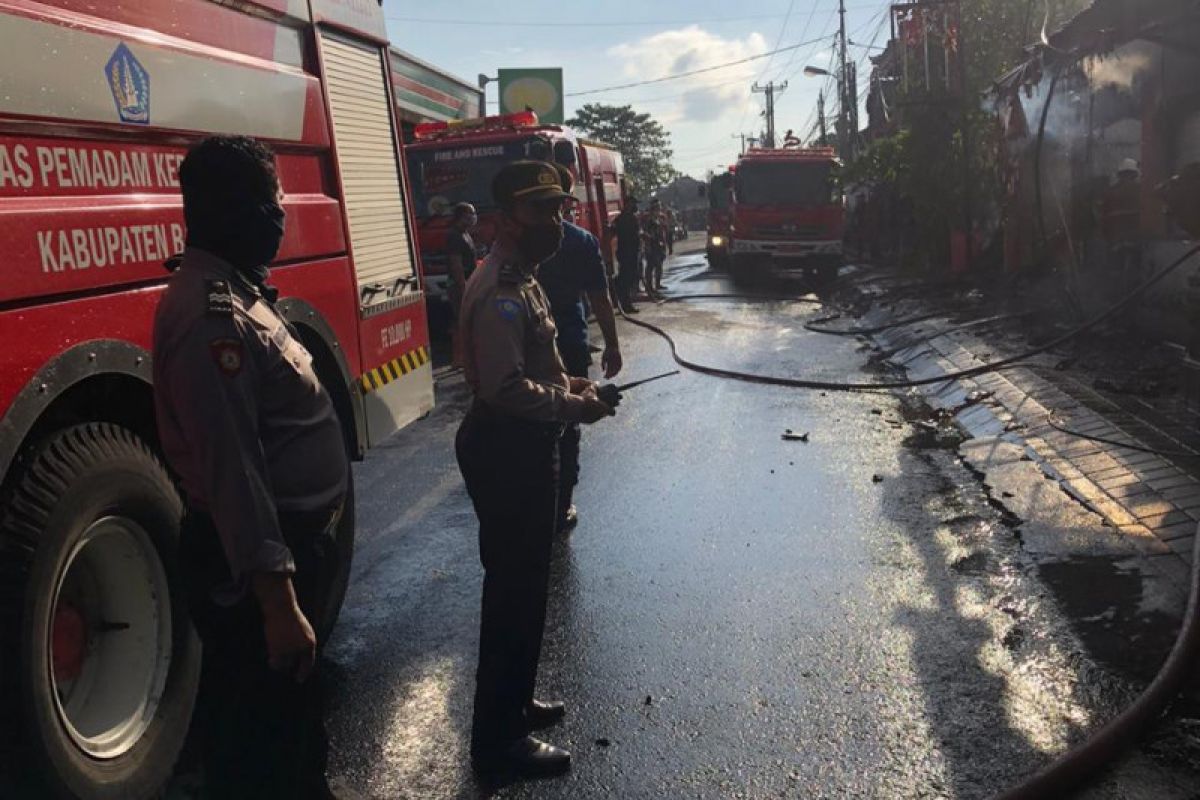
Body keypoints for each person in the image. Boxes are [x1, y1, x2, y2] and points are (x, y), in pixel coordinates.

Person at [152, 136, 350, 799]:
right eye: (271, 202)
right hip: (262, 566)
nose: (281, 215)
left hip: (292, 549)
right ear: (233, 210)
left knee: (290, 723)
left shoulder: (240, 292)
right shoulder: (215, 316)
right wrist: (277, 603)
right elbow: (234, 470)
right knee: (262, 744)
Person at [456, 161, 615, 778]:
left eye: (558, 209)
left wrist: (576, 382)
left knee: (526, 589)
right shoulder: (500, 285)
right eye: (540, 211)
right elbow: (503, 388)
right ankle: (498, 742)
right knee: (513, 596)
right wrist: (576, 405)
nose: (555, 222)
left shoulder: (523, 276)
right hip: (509, 446)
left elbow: (532, 365)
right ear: (505, 219)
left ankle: (515, 704)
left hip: (524, 441)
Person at [538, 164, 624, 534]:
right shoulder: (580, 241)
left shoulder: (515, 241)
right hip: (569, 344)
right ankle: (561, 505)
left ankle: (539, 501)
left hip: (530, 347)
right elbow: (599, 298)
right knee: (569, 425)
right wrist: (612, 345)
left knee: (533, 420)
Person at [1100, 158, 1143, 297]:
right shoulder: (1140, 190)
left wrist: (1106, 236)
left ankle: (1115, 298)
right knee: (1135, 268)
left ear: (1120, 174)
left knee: (1115, 270)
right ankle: (1134, 296)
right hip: (1134, 238)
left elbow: (1103, 216)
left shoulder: (1110, 191)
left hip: (1116, 238)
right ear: (1134, 174)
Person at [445, 202, 479, 365]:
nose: (473, 218)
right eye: (470, 215)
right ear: (461, 217)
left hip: (469, 282)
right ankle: (458, 358)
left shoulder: (466, 234)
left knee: (467, 321)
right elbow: (456, 263)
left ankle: (465, 356)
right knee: (460, 321)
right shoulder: (454, 236)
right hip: (459, 286)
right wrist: (463, 286)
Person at [610, 198, 642, 313]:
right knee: (627, 278)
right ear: (628, 204)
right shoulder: (625, 218)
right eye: (634, 203)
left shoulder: (624, 218)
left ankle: (620, 297)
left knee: (629, 277)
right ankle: (625, 304)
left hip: (630, 252)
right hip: (627, 252)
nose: (636, 206)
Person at [642, 198, 669, 296]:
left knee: (659, 266)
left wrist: (665, 245)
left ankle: (658, 284)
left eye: (659, 207)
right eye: (656, 207)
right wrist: (648, 245)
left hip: (660, 246)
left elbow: (663, 232)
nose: (659, 208)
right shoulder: (648, 220)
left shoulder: (661, 218)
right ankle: (649, 286)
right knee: (651, 266)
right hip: (652, 246)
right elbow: (644, 233)